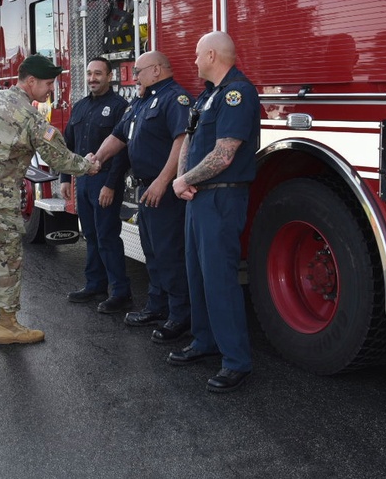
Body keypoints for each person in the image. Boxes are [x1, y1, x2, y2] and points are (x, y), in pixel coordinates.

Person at [0, 54, 99, 345]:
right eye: (48, 84)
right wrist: (88, 165)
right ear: (30, 81)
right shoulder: (30, 116)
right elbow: (58, 157)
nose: (51, 90)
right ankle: (7, 324)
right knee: (5, 257)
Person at [170, 31, 260, 393]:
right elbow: (191, 139)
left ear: (211, 55)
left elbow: (225, 153)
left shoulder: (238, 94)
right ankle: (204, 341)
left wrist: (184, 180)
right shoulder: (210, 94)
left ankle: (236, 361)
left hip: (222, 199)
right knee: (197, 275)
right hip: (198, 197)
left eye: (196, 55)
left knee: (220, 280)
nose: (192, 61)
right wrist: (182, 178)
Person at [90, 51, 193, 343]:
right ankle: (157, 307)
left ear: (157, 70)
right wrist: (95, 159)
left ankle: (179, 316)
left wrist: (163, 181)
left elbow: (183, 139)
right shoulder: (141, 101)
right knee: (152, 252)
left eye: (138, 71)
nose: (133, 76)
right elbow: (119, 136)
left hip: (164, 190)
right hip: (146, 189)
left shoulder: (175, 98)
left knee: (169, 253)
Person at [61, 57, 132, 314]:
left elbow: (122, 151)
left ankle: (121, 292)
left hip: (105, 182)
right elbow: (68, 145)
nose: (93, 78)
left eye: (98, 74)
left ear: (109, 76)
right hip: (82, 181)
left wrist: (111, 185)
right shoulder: (79, 107)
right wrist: (64, 178)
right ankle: (95, 285)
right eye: (90, 73)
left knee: (107, 236)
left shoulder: (119, 107)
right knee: (90, 235)